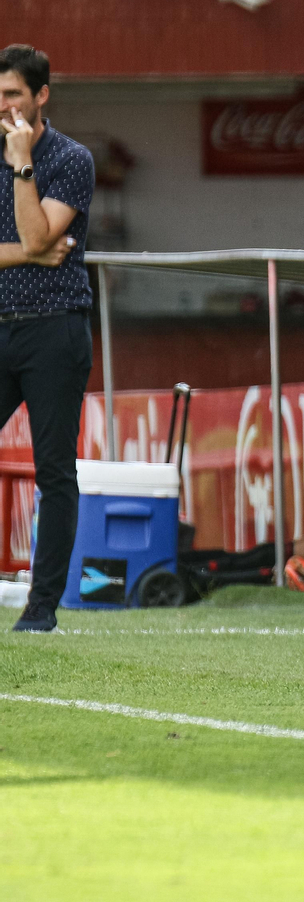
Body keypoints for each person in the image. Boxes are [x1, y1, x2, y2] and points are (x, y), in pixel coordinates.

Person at [0, 45, 93, 633]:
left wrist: (20, 166)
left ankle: (41, 610)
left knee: (54, 471)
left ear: (41, 96)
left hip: (55, 330)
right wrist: (27, 255)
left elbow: (38, 231)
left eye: (13, 94)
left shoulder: (69, 158)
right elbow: (36, 245)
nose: (3, 106)